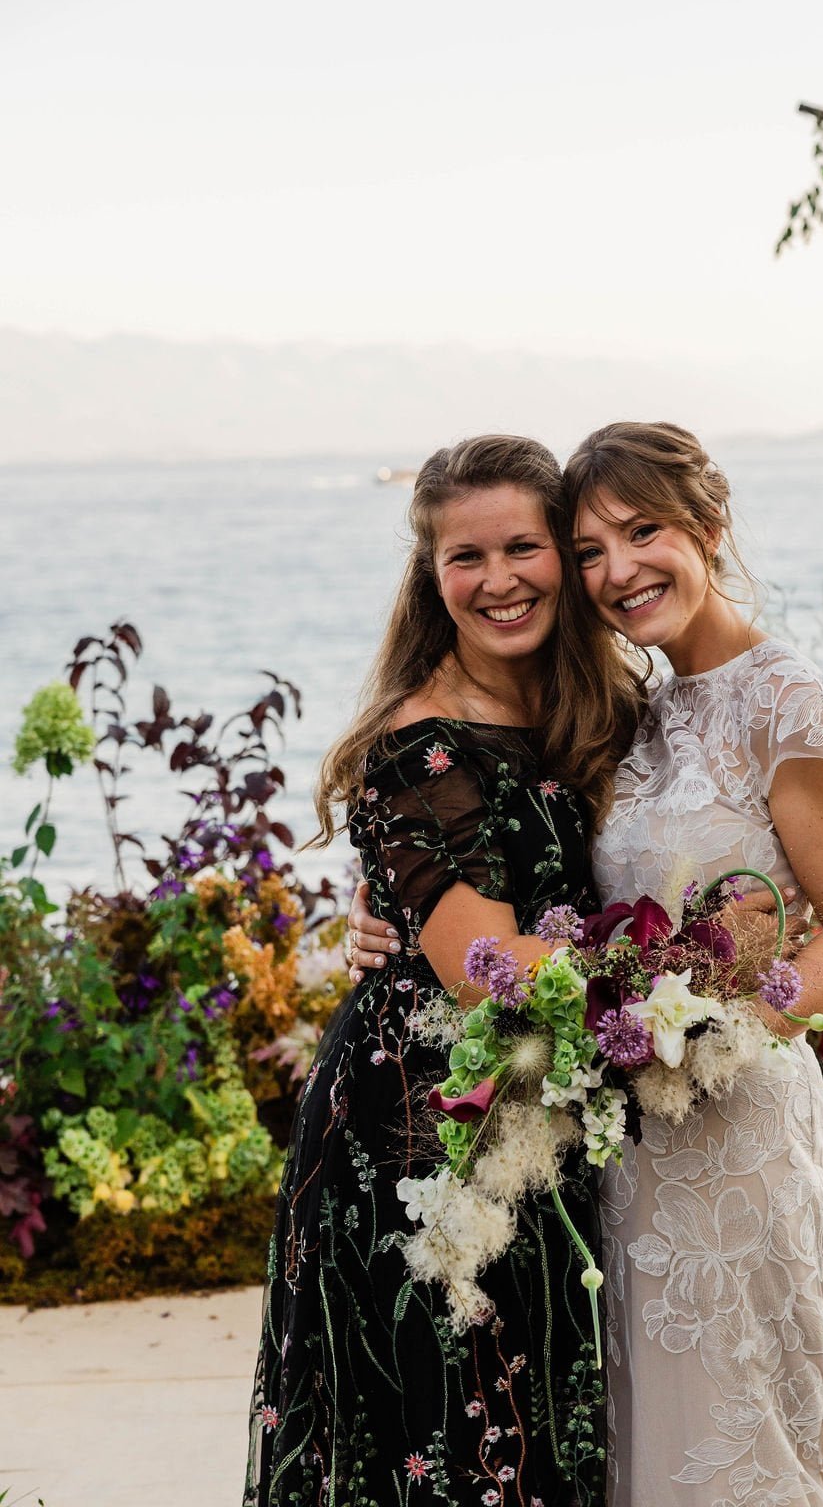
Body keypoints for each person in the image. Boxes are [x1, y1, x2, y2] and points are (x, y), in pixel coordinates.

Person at [350, 421, 823, 1507]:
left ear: (707, 524)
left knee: (746, 1440)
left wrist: (717, 1030)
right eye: (588, 551)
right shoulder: (630, 707)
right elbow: (529, 867)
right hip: (628, 1148)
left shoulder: (789, 701)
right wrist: (383, 912)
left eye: (641, 533)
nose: (616, 572)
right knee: (638, 1445)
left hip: (736, 1133)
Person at [243, 433, 646, 1507]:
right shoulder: (417, 746)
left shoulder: (586, 712)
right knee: (449, 1425)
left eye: (522, 546)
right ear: (430, 575)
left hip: (537, 1102)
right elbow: (482, 966)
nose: (498, 579)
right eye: (464, 557)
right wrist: (680, 964)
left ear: (565, 552)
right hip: (430, 1130)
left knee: (528, 1414)